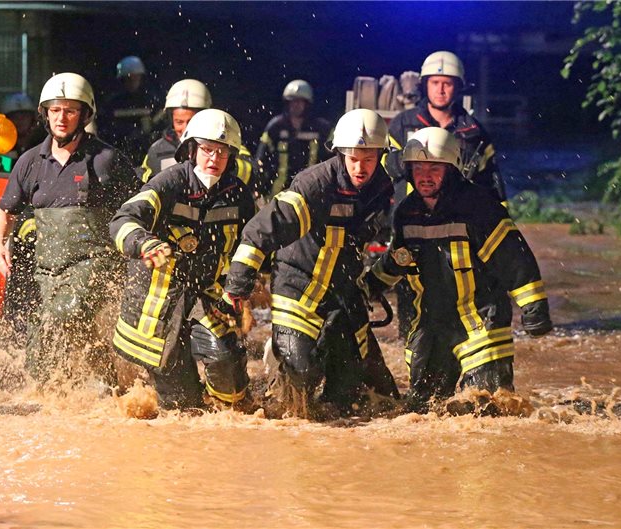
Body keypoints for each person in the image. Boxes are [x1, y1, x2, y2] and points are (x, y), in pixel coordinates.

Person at [224, 108, 398, 418]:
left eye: (369, 159)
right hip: (298, 284)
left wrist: (370, 283)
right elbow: (260, 230)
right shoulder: (315, 185)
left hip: (341, 290)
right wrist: (238, 283)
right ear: (341, 153)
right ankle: (281, 359)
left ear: (381, 155)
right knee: (300, 378)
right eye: (354, 158)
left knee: (351, 396)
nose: (361, 168)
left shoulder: (381, 187)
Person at [367, 128, 551, 412]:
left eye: (434, 168)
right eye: (418, 168)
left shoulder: (479, 207)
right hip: (430, 327)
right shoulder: (406, 212)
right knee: (423, 412)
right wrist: (369, 286)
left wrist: (534, 307)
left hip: (481, 324)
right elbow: (401, 259)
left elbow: (514, 258)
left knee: (486, 410)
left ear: (451, 168)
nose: (425, 176)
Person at [0, 72, 138, 385]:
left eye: (70, 110)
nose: (62, 117)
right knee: (38, 349)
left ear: (84, 115)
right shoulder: (30, 162)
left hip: (94, 265)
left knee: (63, 316)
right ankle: (102, 390)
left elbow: (141, 204)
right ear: (45, 114)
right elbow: (4, 210)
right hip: (47, 270)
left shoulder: (106, 159)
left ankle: (98, 386)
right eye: (55, 110)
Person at [109, 109, 256, 410]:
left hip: (207, 294)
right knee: (183, 408)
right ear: (191, 149)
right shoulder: (169, 182)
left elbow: (249, 245)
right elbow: (123, 218)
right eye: (206, 150)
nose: (213, 159)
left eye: (222, 151)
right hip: (160, 301)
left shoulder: (238, 195)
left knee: (228, 370)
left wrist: (249, 289)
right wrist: (144, 242)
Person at [385, 50, 510, 340]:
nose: (441, 89)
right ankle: (411, 345)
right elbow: (385, 169)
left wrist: (502, 224)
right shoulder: (402, 124)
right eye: (435, 82)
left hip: (459, 226)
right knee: (411, 287)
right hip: (411, 221)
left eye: (448, 83)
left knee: (461, 288)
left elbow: (491, 181)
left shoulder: (473, 131)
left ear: (458, 87)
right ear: (424, 85)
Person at [138, 79, 256, 188]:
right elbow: (144, 180)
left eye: (191, 121)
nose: (185, 128)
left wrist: (222, 165)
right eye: (179, 122)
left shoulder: (227, 142)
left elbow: (252, 173)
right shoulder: (158, 149)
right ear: (170, 120)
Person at [0, 92, 46, 336]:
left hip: (35, 222)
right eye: (14, 118)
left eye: (24, 117)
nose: (19, 123)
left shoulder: (43, 146)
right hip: (6, 219)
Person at [254, 79, 333, 200]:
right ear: (287, 103)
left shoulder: (321, 128)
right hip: (277, 193)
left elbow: (333, 159)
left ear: (307, 104)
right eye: (293, 101)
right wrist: (258, 188)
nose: (296, 105)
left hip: (311, 192)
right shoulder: (276, 126)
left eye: (300, 102)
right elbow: (261, 159)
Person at [99, 56, 162, 161]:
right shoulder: (113, 103)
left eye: (135, 77)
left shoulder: (152, 101)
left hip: (146, 154)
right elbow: (105, 130)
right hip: (119, 154)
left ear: (141, 78)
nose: (132, 81)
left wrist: (146, 132)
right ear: (122, 80)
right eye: (128, 78)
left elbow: (159, 128)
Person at [2, 92, 46, 158]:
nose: (20, 120)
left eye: (24, 116)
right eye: (15, 117)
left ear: (32, 119)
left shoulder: (44, 142)